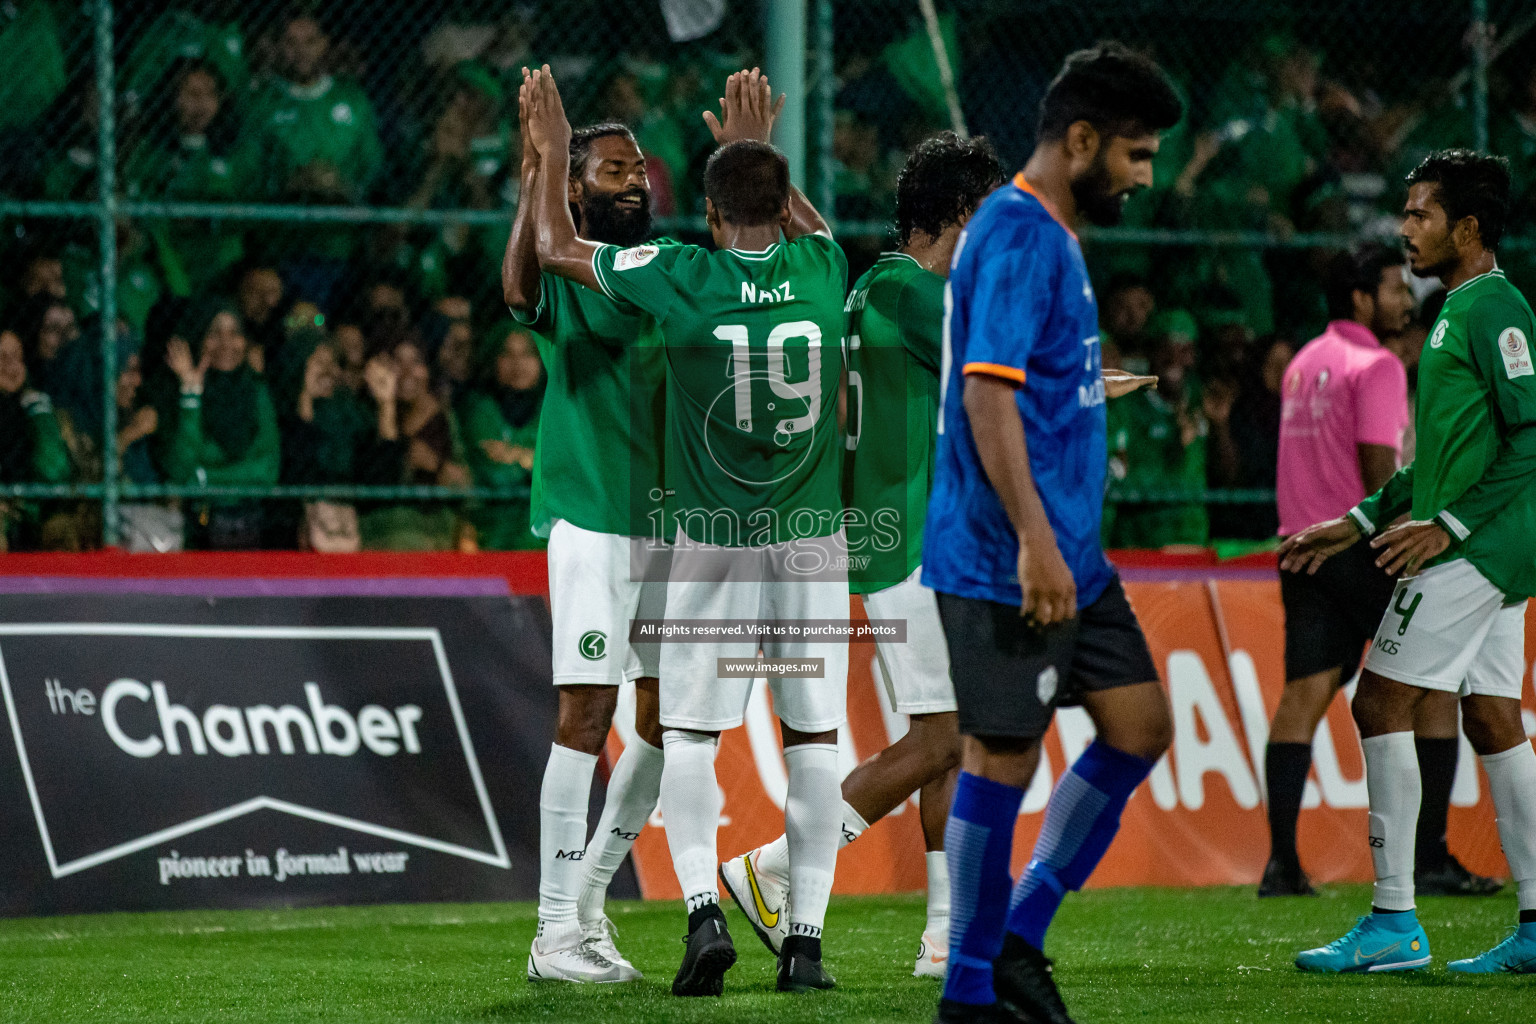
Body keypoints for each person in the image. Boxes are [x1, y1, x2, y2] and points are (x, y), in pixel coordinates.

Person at [525, 66, 848, 996]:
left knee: (689, 738)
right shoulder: (824, 270)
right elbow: (810, 230)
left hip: (706, 537)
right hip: (811, 541)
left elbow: (552, 244)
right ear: (782, 203)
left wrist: (544, 157)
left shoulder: (683, 275)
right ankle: (805, 945)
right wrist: (764, 164)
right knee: (815, 742)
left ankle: (698, 913)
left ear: (705, 214)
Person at [924, 44, 1181, 1024]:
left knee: (1139, 726)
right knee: (1003, 756)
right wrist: (1032, 538)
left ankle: (1020, 936)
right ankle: (972, 989)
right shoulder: (1019, 234)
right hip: (1006, 557)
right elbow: (987, 396)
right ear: (1082, 140)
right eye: (1137, 153)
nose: (1144, 176)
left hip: (1072, 555)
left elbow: (1024, 385)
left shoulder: (1055, 235)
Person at [719, 131, 1005, 980]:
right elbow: (1003, 359)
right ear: (959, 215)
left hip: (899, 534)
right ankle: (773, 866)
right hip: (911, 539)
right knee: (945, 736)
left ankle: (945, 937)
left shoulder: (870, 286)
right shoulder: (912, 293)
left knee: (947, 734)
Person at [1284, 150, 1536, 974]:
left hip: (1478, 547)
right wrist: (1354, 522)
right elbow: (1440, 461)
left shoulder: (1496, 310)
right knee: (1495, 718)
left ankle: (1394, 919)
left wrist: (1449, 527)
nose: (1405, 228)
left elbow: (1532, 436)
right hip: (1490, 543)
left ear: (1466, 228)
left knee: (1380, 702)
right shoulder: (1455, 313)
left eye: (1421, 213)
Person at [1263, 242, 1499, 899]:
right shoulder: (1379, 366)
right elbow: (1382, 470)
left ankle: (1281, 864)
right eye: (1395, 288)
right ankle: (1430, 859)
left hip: (1302, 548)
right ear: (1362, 298)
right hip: (1364, 550)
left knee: (1302, 699)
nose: (1403, 298)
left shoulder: (1302, 363)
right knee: (1432, 689)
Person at [503, 91, 668, 982]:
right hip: (593, 518)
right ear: (578, 186)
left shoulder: (665, 262)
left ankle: (592, 905)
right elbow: (520, 284)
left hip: (668, 524)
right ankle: (553, 932)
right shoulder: (572, 267)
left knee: (663, 722)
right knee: (586, 713)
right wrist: (538, 170)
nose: (634, 180)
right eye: (614, 169)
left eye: (638, 168)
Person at [248, 13, 383, 307]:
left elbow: (373, 172)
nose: (301, 51)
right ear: (278, 47)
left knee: (330, 323)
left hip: (342, 250)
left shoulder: (353, 99)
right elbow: (250, 176)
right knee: (299, 323)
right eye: (291, 43)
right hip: (282, 250)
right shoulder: (262, 103)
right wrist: (294, 182)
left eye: (310, 42)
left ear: (325, 45)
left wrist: (339, 185)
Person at [151, 302, 280, 550]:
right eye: (214, 333)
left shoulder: (257, 391)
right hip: (197, 525)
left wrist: (206, 477)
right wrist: (191, 395)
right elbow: (180, 469)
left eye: (235, 333)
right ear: (199, 338)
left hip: (253, 523)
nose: (226, 343)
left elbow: (267, 471)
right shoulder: (176, 396)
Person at [1103, 311, 1209, 548]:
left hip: (1194, 544)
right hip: (1141, 549)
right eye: (1165, 349)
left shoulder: (1202, 401)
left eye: (1184, 350)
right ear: (1150, 352)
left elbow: (1227, 477)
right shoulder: (1126, 407)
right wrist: (1174, 450)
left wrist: (1219, 427)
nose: (1174, 359)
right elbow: (1116, 479)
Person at [458, 323, 544, 551]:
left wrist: (510, 453)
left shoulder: (553, 410)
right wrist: (531, 459)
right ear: (494, 360)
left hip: (542, 526)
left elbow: (559, 470)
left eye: (527, 354)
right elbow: (496, 475)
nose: (518, 365)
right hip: (492, 524)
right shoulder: (480, 410)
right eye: (508, 354)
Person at [0, 326, 69, 552]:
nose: (10, 365)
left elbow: (53, 469)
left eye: (16, 357)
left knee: (62, 531)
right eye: (2, 357)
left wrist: (37, 411)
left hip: (35, 507)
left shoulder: (36, 407)